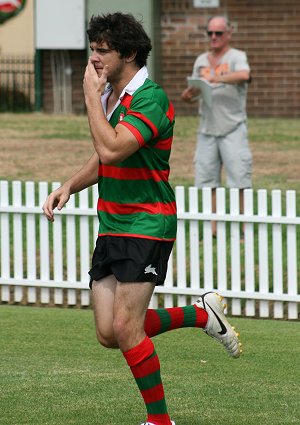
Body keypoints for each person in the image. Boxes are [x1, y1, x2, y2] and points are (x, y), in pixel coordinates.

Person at [42, 12, 241, 425]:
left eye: (103, 51)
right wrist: (68, 185)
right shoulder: (109, 96)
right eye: (92, 49)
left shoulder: (151, 97)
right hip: (112, 224)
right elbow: (105, 157)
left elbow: (112, 148)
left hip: (147, 223)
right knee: (108, 333)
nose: (93, 58)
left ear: (129, 53)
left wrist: (89, 100)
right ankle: (201, 315)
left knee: (127, 327)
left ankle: (159, 421)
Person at [181, 15, 252, 237]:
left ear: (228, 33)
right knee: (208, 181)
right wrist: (189, 95)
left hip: (233, 126)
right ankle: (213, 228)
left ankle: (243, 228)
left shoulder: (237, 56)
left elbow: (244, 75)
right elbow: (197, 91)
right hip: (207, 129)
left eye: (218, 33)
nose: (213, 37)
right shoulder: (201, 59)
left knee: (240, 180)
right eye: (210, 33)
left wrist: (216, 78)